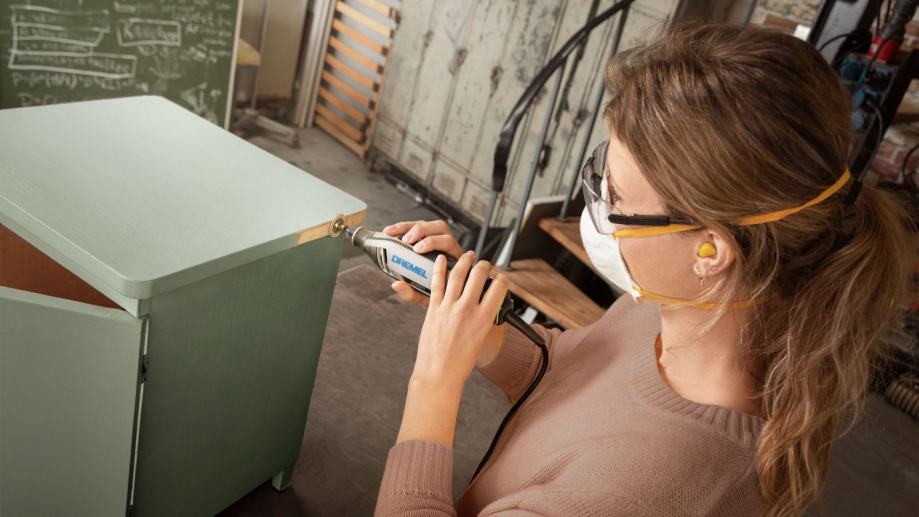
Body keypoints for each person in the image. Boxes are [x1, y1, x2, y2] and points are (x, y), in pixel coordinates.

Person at [372, 23, 915, 517]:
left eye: (614, 197)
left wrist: (433, 382)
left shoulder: (642, 494)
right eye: (600, 175)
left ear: (711, 250)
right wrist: (481, 328)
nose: (594, 207)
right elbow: (567, 377)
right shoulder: (671, 312)